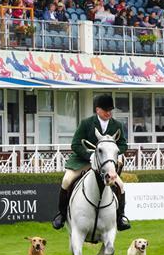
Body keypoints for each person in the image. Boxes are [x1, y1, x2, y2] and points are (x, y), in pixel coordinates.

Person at [53, 94, 130, 232]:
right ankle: (62, 215)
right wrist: (90, 155)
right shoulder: (86, 123)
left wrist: (113, 152)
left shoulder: (117, 125)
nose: (109, 113)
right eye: (106, 110)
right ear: (97, 110)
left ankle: (120, 217)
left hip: (105, 164)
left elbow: (123, 144)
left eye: (110, 110)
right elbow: (75, 144)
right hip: (84, 161)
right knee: (66, 180)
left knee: (121, 185)